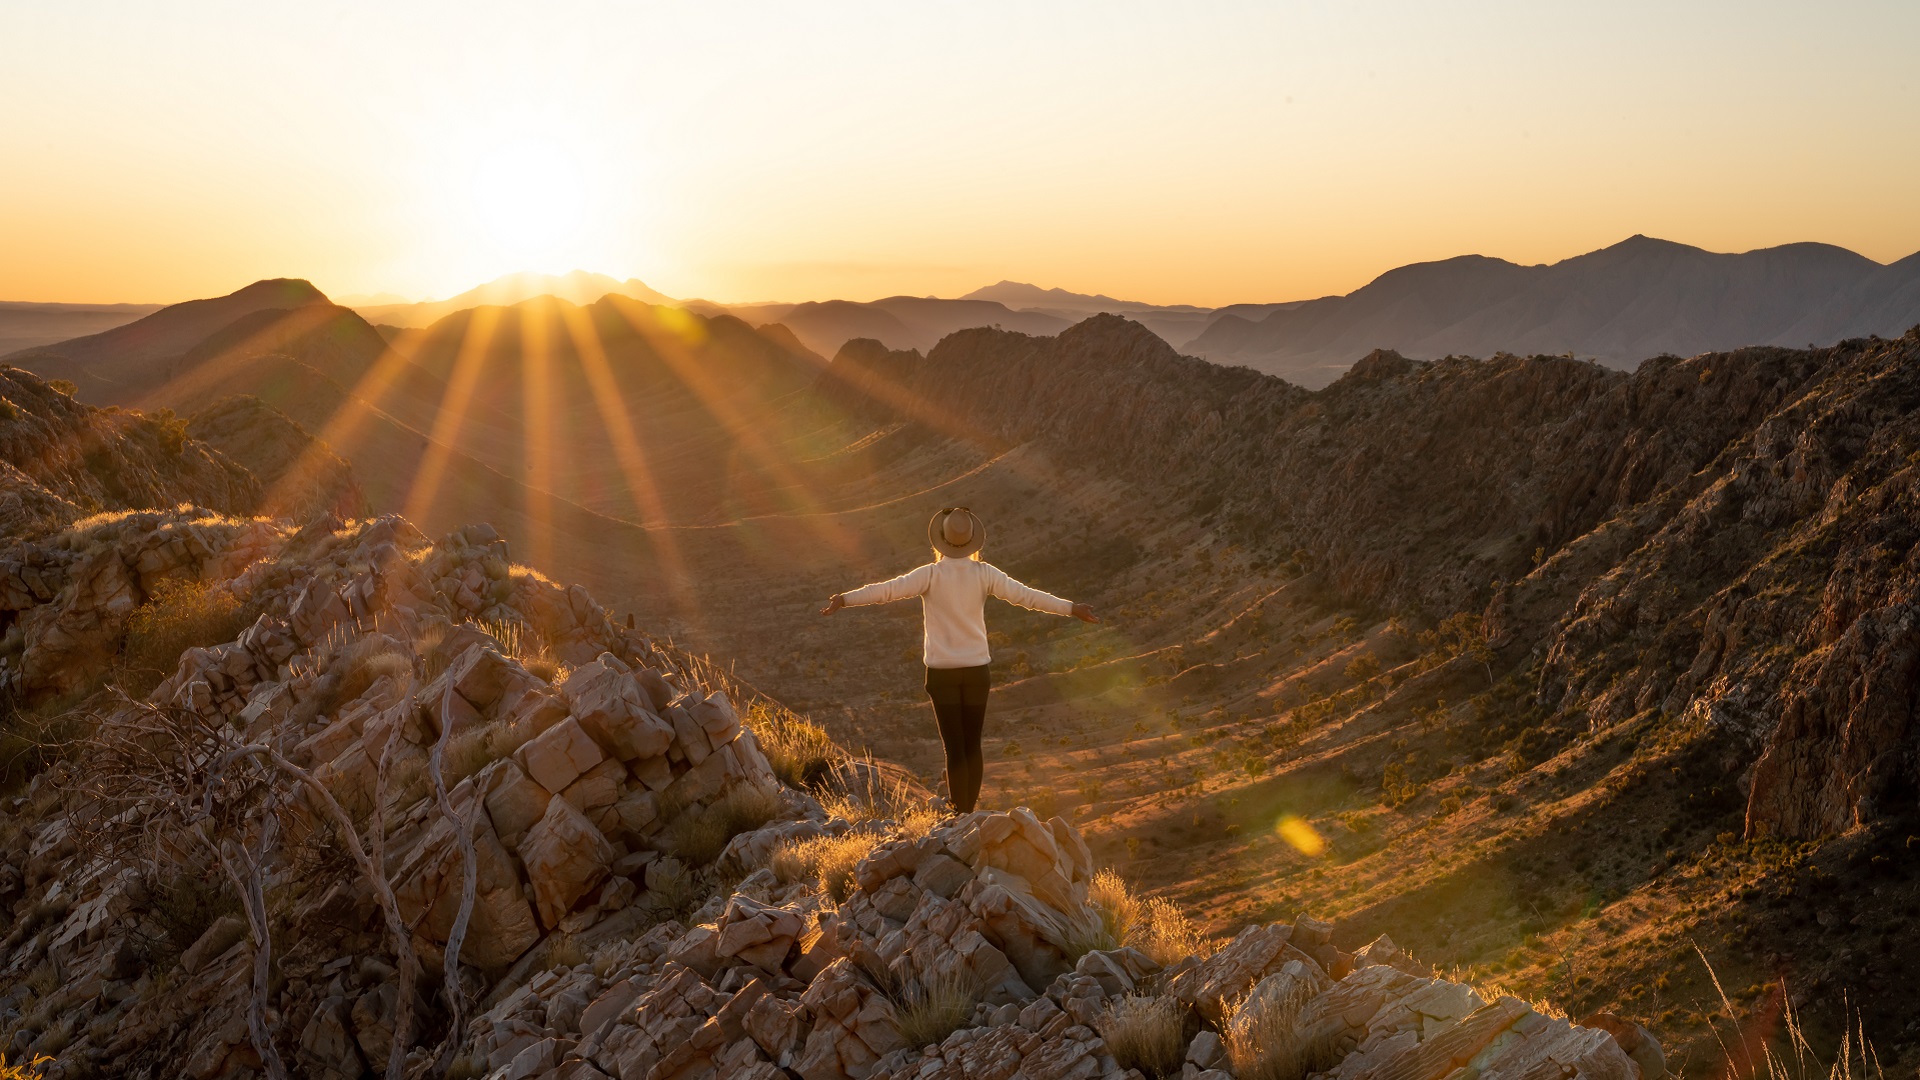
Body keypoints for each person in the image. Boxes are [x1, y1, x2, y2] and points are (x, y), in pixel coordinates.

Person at [820, 507, 1099, 813]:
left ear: (940, 540)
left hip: (942, 676)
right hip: (977, 673)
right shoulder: (985, 574)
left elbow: (887, 591)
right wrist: (1071, 608)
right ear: (972, 541)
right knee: (972, 746)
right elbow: (1028, 596)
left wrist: (845, 599)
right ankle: (967, 812)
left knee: (954, 749)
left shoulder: (929, 575)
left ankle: (959, 813)